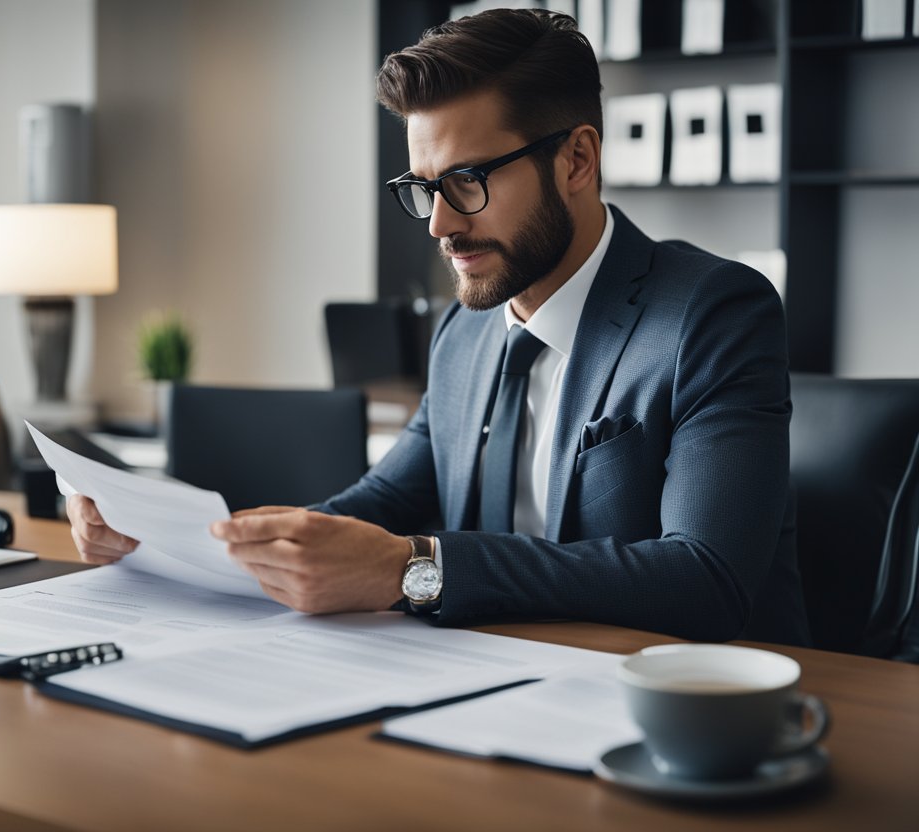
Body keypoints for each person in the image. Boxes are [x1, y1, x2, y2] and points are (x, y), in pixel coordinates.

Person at [68, 8, 811, 646]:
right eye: (423, 188)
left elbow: (706, 579)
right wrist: (180, 542)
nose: (441, 225)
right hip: (487, 691)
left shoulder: (713, 312)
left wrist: (414, 568)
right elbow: (376, 508)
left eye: (467, 181)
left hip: (689, 725)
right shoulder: (465, 331)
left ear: (577, 159)